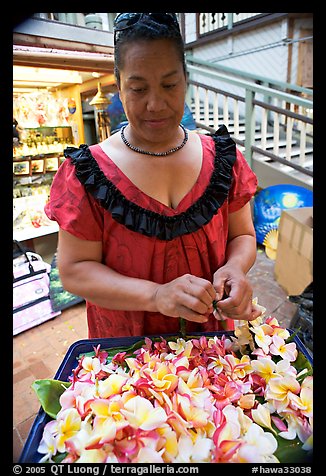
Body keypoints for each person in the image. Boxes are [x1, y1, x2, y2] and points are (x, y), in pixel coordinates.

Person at [44, 12, 262, 339]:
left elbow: (242, 236)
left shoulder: (223, 160)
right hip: (129, 348)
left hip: (210, 345)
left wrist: (234, 268)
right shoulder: (88, 174)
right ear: (118, 85)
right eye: (138, 88)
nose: (155, 103)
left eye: (169, 84)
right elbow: (74, 271)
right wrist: (156, 295)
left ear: (186, 80)